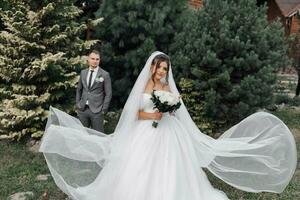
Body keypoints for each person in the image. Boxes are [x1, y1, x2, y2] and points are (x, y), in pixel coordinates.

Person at [39, 51, 297, 200]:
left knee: (174, 166)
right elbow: (137, 114)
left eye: (166, 68)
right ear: (152, 67)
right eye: (160, 68)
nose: (162, 72)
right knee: (138, 169)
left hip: (169, 134)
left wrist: (171, 109)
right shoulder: (145, 86)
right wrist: (155, 116)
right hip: (146, 133)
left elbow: (175, 110)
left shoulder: (166, 86)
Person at [76, 50, 112, 132]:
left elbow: (108, 94)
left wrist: (103, 110)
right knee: (81, 134)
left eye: (97, 59)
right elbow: (79, 89)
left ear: (99, 60)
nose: (95, 61)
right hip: (83, 109)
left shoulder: (104, 74)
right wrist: (78, 104)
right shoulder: (83, 73)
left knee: (98, 135)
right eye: (92, 59)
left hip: (97, 110)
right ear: (88, 59)